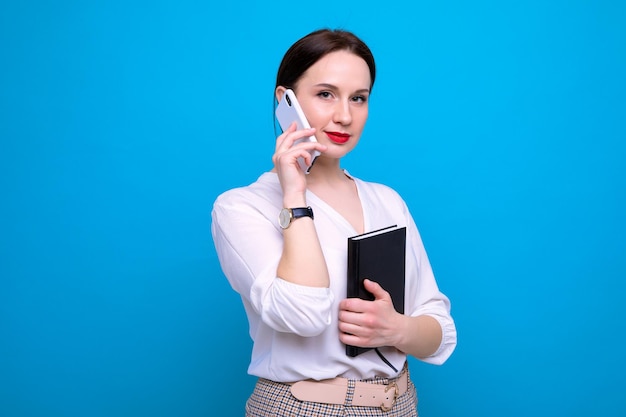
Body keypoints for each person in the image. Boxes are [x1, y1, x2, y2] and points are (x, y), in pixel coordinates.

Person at [211, 28, 457, 416]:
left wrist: (398, 329)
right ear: (285, 100)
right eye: (326, 94)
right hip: (304, 407)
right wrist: (295, 196)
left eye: (358, 98)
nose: (344, 115)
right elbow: (303, 315)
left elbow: (440, 332)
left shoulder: (387, 201)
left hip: (400, 403)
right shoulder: (241, 207)